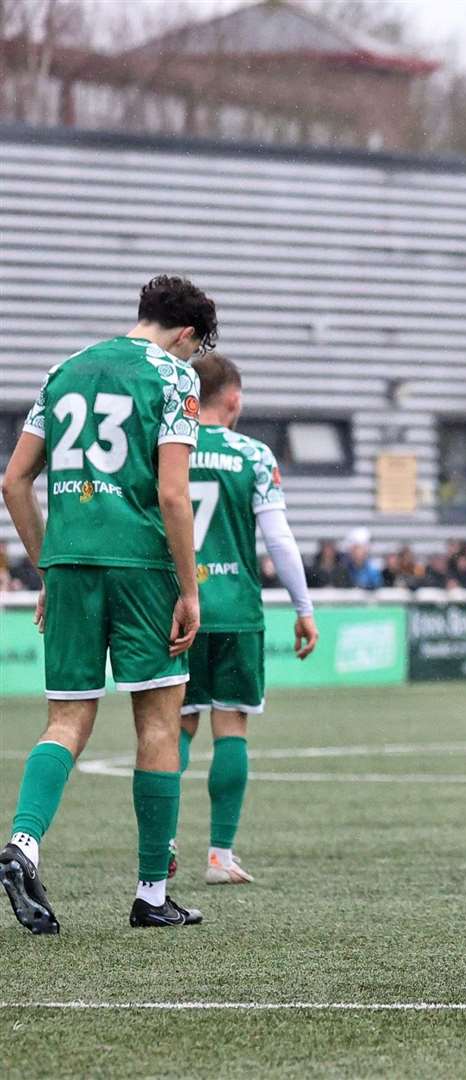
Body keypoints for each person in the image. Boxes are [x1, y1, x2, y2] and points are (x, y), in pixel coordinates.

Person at [1, 274, 214, 932]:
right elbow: (175, 495)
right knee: (156, 722)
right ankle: (152, 894)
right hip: (142, 564)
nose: (193, 360)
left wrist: (47, 569)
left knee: (66, 720)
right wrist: (187, 587)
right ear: (185, 334)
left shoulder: (64, 370)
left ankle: (23, 844)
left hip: (69, 561)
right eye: (197, 348)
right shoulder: (174, 378)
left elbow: (13, 482)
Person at [175, 353, 318, 886]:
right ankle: (219, 857)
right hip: (235, 610)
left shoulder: (168, 449)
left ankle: (161, 849)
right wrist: (303, 609)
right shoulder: (254, 454)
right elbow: (278, 539)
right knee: (230, 724)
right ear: (232, 399)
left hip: (174, 607)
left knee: (172, 727)